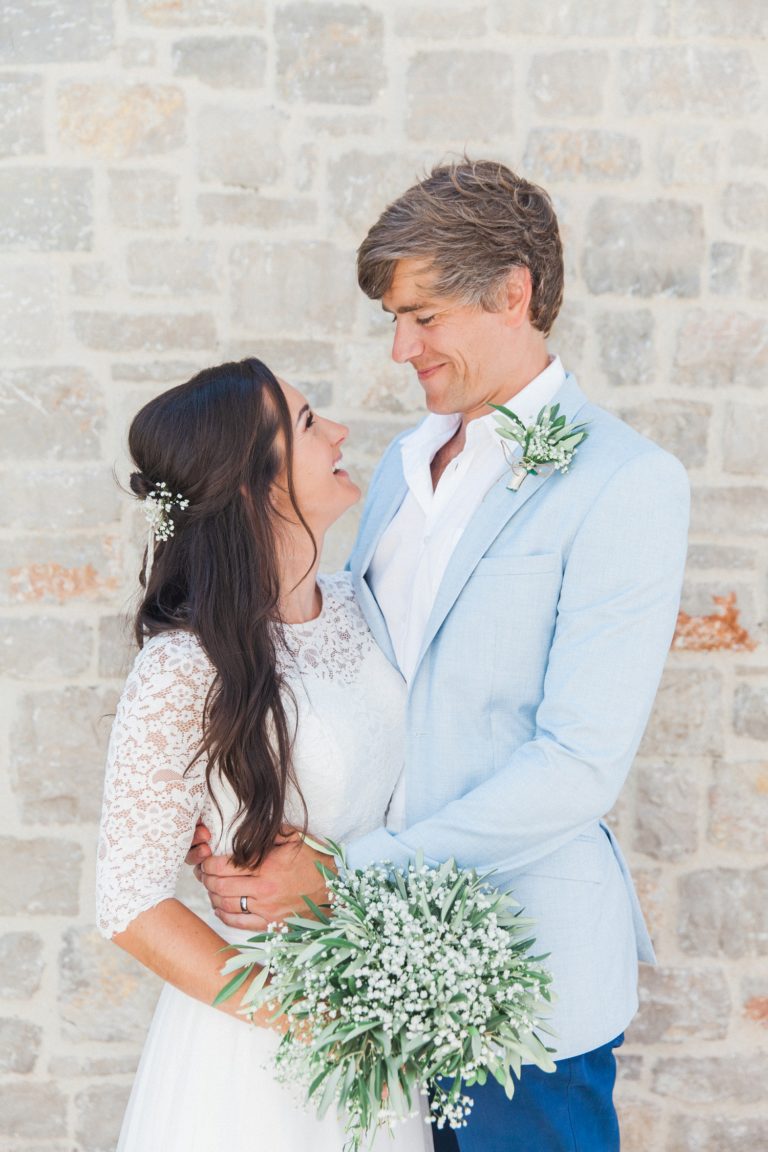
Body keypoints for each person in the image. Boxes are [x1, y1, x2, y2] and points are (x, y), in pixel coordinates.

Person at [189, 161, 690, 1151]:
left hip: (523, 973)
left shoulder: (627, 482)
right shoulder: (399, 473)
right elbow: (351, 672)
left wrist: (341, 873)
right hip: (371, 974)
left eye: (424, 317)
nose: (399, 348)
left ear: (515, 293)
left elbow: (579, 765)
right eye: (393, 318)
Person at [96, 359, 429, 1152]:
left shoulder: (358, 602)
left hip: (379, 1009)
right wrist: (305, 1013)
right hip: (261, 1047)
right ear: (253, 486)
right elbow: (129, 902)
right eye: (310, 423)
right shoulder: (185, 667)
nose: (341, 432)